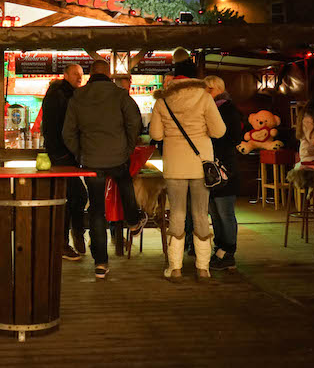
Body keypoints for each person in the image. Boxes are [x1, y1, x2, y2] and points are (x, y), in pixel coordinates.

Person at [62, 59, 143, 279]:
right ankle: (133, 219)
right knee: (124, 179)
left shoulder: (78, 96)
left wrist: (80, 154)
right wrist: (126, 148)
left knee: (97, 209)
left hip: (91, 161)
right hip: (117, 158)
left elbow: (68, 132)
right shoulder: (120, 95)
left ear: (89, 74)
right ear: (109, 74)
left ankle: (100, 263)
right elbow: (135, 122)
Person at [149, 60, 226, 282]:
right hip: (201, 163)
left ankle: (175, 268)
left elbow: (155, 134)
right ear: (195, 77)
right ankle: (203, 268)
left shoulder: (163, 99)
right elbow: (219, 131)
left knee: (178, 213)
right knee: (201, 213)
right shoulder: (204, 97)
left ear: (176, 77)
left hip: (174, 164)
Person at [42, 64, 89, 261]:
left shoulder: (65, 93)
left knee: (69, 197)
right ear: (66, 75)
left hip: (63, 155)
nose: (79, 78)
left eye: (81, 75)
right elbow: (63, 128)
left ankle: (72, 237)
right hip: (60, 155)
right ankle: (67, 240)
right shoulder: (61, 95)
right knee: (75, 195)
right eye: (75, 74)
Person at [204, 76, 243, 271]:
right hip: (212, 168)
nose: (205, 93)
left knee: (224, 211)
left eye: (208, 89)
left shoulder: (228, 109)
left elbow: (234, 137)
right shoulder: (213, 109)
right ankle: (220, 248)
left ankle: (228, 251)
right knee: (215, 212)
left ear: (217, 89)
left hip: (225, 168)